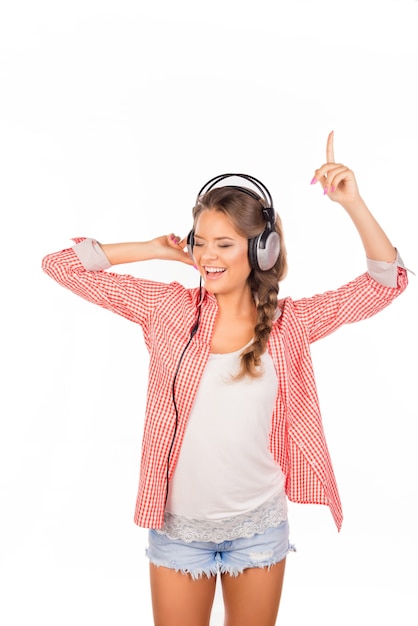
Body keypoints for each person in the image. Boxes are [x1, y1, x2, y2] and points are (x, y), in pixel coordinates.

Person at [42, 132, 409, 626]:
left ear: (262, 251)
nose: (207, 256)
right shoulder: (167, 308)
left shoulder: (290, 324)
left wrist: (353, 203)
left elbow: (386, 283)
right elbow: (60, 266)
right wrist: (153, 248)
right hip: (178, 531)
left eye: (224, 244)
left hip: (258, 529)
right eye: (200, 242)